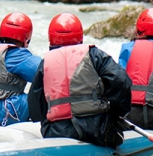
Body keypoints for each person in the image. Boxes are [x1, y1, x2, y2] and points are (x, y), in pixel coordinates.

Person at [28, 13, 132, 148]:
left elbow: (35, 106)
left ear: (51, 37)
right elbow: (121, 81)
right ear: (80, 35)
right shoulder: (94, 54)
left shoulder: (46, 62)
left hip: (57, 132)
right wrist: (117, 112)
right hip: (97, 129)